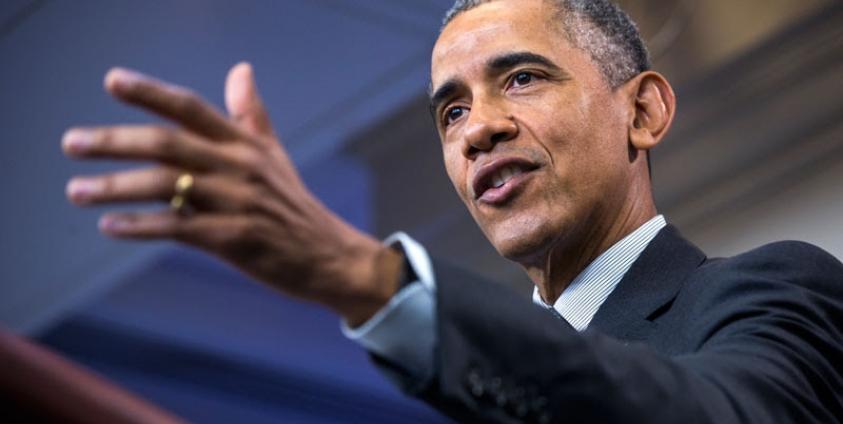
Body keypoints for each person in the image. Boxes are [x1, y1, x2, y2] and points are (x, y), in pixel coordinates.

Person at [63, 0, 842, 422]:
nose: (478, 129)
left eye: (524, 78)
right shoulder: (453, 387)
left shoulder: (775, 289)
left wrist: (365, 277)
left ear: (641, 112)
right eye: (449, 112)